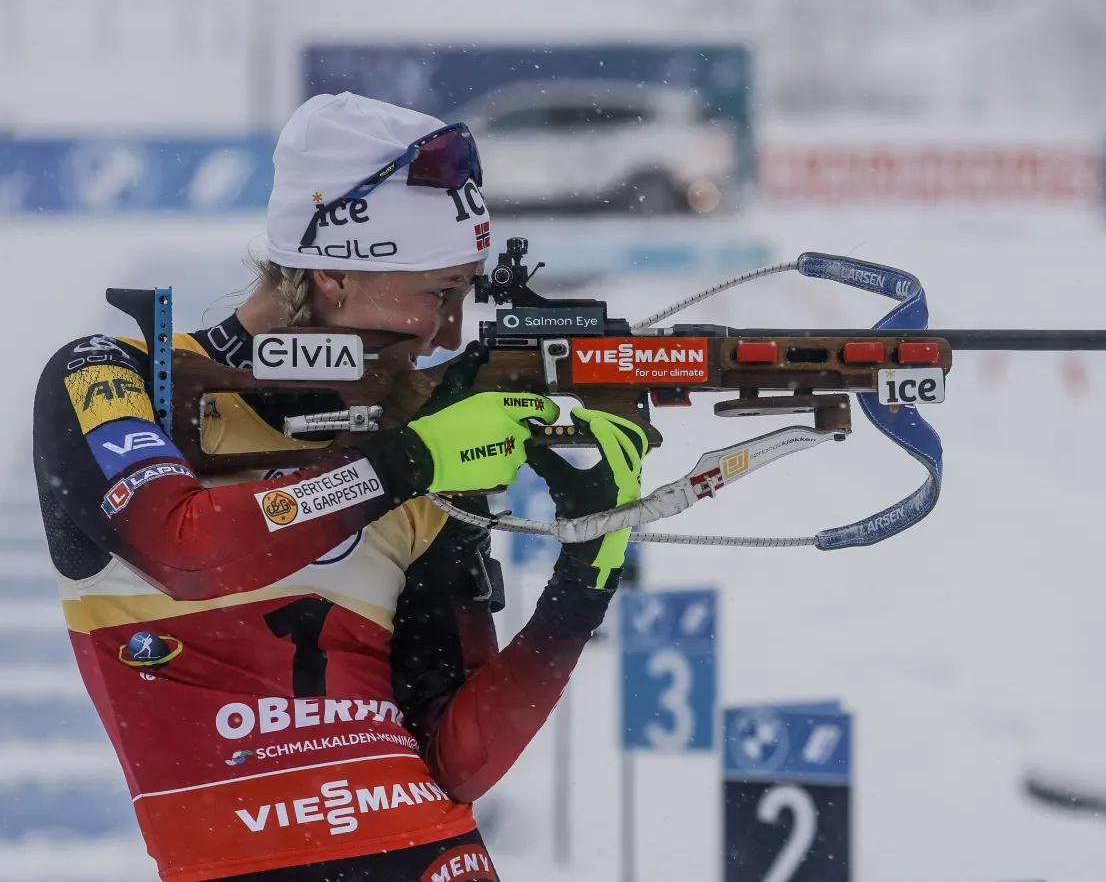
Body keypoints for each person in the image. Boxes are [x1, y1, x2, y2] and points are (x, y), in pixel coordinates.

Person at [31, 92, 647, 882]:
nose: (450, 331)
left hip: (435, 855)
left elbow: (456, 759)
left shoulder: (411, 432)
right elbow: (189, 552)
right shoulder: (111, 376)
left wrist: (587, 569)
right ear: (334, 271)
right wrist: (407, 464)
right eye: (439, 292)